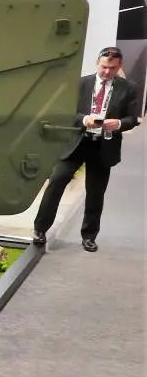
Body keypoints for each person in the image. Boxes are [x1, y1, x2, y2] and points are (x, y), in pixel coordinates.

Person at [33, 47, 142, 252]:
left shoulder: (129, 88)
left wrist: (118, 123)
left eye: (112, 68)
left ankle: (89, 236)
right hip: (76, 143)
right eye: (104, 67)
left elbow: (132, 118)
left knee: (95, 193)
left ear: (120, 66)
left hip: (104, 146)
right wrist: (84, 119)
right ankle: (40, 229)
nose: (107, 72)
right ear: (97, 63)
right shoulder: (80, 84)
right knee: (56, 183)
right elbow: (66, 111)